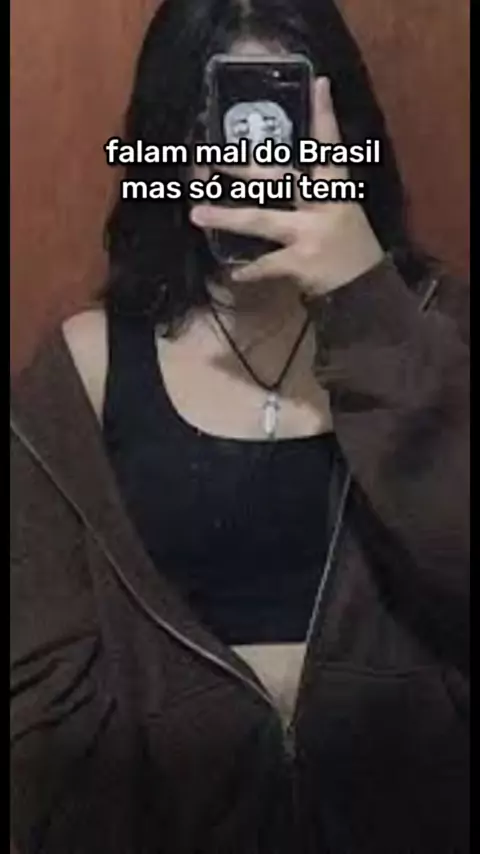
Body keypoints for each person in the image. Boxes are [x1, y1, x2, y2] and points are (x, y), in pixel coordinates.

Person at [10, 1, 470, 852]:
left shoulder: (439, 334)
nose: (250, 164)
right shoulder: (81, 373)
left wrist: (366, 306)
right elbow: (38, 700)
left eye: (282, 122)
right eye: (217, 123)